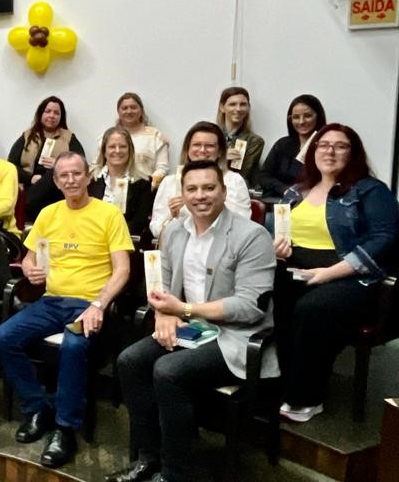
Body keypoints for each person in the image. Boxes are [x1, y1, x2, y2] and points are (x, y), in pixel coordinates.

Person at [108, 159, 277, 482]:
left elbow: (249, 307)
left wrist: (183, 310)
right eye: (192, 189)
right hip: (190, 327)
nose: (201, 196)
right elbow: (162, 287)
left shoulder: (252, 236)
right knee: (129, 361)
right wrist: (162, 312)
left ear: (224, 191)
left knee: (168, 370)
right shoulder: (175, 231)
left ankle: (176, 472)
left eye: (209, 188)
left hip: (235, 335)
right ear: (182, 193)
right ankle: (149, 457)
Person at [0, 151, 133, 469]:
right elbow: (28, 257)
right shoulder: (49, 214)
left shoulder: (109, 214)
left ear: (88, 177)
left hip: (88, 305)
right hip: (52, 301)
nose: (70, 180)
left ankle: (65, 428)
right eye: (63, 175)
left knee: (73, 344)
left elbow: (122, 270)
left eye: (76, 174)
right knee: (3, 337)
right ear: (55, 181)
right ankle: (38, 408)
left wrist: (98, 304)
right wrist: (30, 269)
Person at [273, 124, 398, 423]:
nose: (329, 151)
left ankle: (306, 397)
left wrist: (328, 274)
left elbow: (385, 238)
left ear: (352, 153)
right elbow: (279, 231)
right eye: (323, 145)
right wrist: (276, 245)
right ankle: (273, 382)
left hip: (353, 278)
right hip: (297, 271)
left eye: (340, 146)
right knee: (261, 297)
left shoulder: (370, 190)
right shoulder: (295, 191)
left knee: (312, 309)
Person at [149, 121, 251, 241]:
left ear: (220, 151)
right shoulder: (169, 182)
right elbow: (156, 230)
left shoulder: (234, 180)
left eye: (210, 146)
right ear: (188, 149)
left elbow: (241, 225)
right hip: (179, 246)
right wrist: (173, 216)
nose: (202, 150)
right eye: (197, 145)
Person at [89, 127, 154, 242]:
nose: (117, 151)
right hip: (93, 240)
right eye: (112, 146)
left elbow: (139, 221)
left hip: (125, 242)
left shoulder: (143, 182)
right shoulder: (91, 180)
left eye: (123, 146)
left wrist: (111, 237)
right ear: (104, 151)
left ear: (130, 150)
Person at [258, 95, 327, 199]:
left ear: (318, 116)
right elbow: (264, 176)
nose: (301, 121)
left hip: (311, 203)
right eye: (296, 117)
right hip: (278, 202)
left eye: (307, 116)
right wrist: (285, 190)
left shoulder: (326, 147)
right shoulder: (283, 144)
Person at [8, 96, 85, 187]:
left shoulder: (68, 137)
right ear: (40, 114)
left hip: (58, 188)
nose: (52, 116)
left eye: (56, 113)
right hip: (29, 185)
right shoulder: (27, 136)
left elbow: (81, 165)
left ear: (61, 117)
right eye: (47, 111)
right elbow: (10, 166)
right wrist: (30, 178)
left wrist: (59, 165)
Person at [113, 92, 170, 190]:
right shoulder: (109, 137)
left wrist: (149, 186)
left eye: (133, 107)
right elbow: (98, 166)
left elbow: (162, 168)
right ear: (118, 112)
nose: (129, 111)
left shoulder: (155, 136)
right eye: (125, 108)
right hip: (114, 191)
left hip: (146, 192)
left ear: (141, 110)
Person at [217, 87, 265, 187]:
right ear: (222, 107)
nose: (238, 109)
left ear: (248, 108)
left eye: (243, 104)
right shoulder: (209, 136)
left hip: (236, 190)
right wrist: (221, 158)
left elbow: (241, 175)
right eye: (232, 104)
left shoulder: (255, 141)